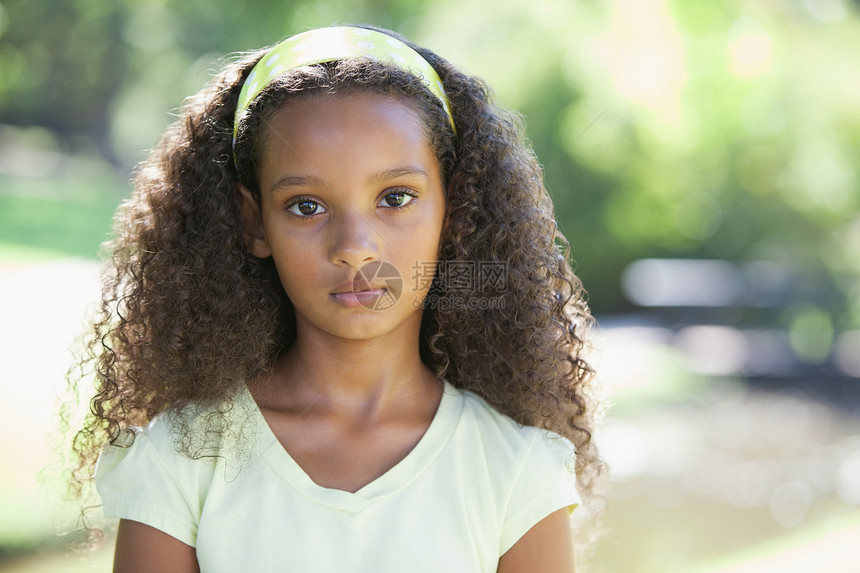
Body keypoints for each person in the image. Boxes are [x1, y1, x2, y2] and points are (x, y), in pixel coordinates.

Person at [66, 25, 605, 572]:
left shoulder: (515, 470)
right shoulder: (181, 457)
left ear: (455, 211)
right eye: (306, 206)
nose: (353, 248)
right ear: (254, 222)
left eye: (395, 198)